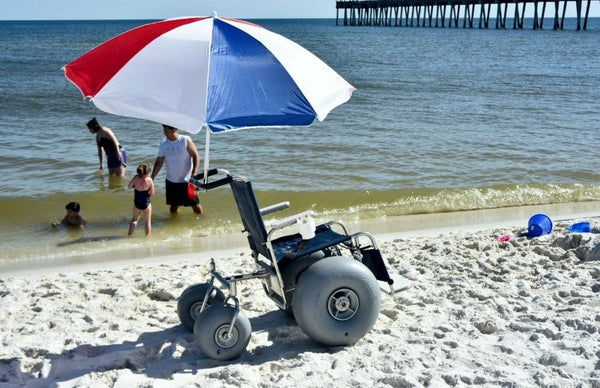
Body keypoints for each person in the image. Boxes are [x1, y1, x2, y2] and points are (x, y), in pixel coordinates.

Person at [151, 124, 203, 214]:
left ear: (174, 130)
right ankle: (174, 226)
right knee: (173, 208)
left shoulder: (185, 140)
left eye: (166, 131)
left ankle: (202, 222)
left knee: (195, 206)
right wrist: (152, 177)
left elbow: (196, 156)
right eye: (164, 131)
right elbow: (159, 162)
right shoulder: (163, 143)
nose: (164, 133)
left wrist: (194, 173)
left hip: (187, 181)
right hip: (171, 181)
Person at [127, 163, 154, 236]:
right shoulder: (149, 180)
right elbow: (152, 193)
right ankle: (147, 237)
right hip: (146, 203)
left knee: (134, 220)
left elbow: (129, 186)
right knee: (147, 222)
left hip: (137, 203)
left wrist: (135, 186)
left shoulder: (136, 178)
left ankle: (129, 235)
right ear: (148, 172)